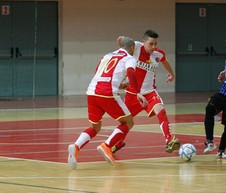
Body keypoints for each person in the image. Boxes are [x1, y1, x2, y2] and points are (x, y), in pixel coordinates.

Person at [67, 37, 147, 169]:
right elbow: (131, 72)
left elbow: (98, 72)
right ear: (132, 48)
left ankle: (75, 147)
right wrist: (137, 92)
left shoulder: (107, 55)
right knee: (128, 122)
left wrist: (119, 84)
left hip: (92, 92)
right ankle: (107, 146)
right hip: (107, 93)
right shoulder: (129, 58)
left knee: (95, 127)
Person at [112, 30, 180, 154]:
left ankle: (169, 141)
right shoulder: (136, 46)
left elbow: (165, 61)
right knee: (125, 122)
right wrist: (120, 47)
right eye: (150, 44)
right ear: (143, 42)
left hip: (149, 92)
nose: (154, 47)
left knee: (161, 111)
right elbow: (120, 38)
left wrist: (172, 74)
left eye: (156, 44)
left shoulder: (159, 54)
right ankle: (117, 143)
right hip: (133, 94)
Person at [204, 31, 226, 159]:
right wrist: (224, 73)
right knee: (209, 108)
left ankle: (221, 151)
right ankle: (210, 142)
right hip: (224, 92)